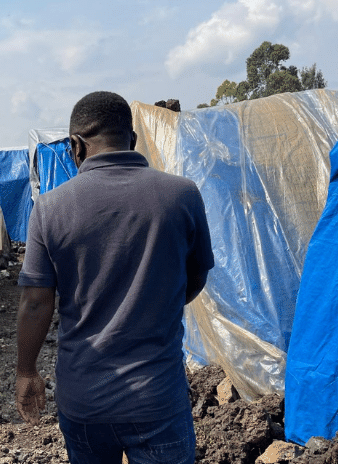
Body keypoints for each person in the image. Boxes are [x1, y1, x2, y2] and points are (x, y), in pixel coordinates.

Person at [15, 91, 214, 464]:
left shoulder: (49, 208)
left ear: (75, 146)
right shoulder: (182, 196)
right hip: (157, 397)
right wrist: (153, 301)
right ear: (133, 140)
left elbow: (36, 302)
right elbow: (196, 277)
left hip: (83, 400)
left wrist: (26, 371)